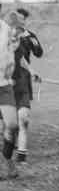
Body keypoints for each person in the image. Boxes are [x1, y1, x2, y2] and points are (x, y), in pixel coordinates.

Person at [12, 8, 43, 164]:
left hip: (23, 78)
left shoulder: (29, 36)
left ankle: (21, 154)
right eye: (18, 18)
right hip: (6, 78)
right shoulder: (6, 34)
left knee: (23, 118)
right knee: (9, 119)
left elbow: (38, 53)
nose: (21, 21)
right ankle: (10, 142)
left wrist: (32, 71)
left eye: (23, 19)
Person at [0, 15, 21, 178]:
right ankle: (6, 165)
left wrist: (10, 69)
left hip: (4, 85)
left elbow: (10, 51)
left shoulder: (6, 29)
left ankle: (7, 159)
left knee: (12, 125)